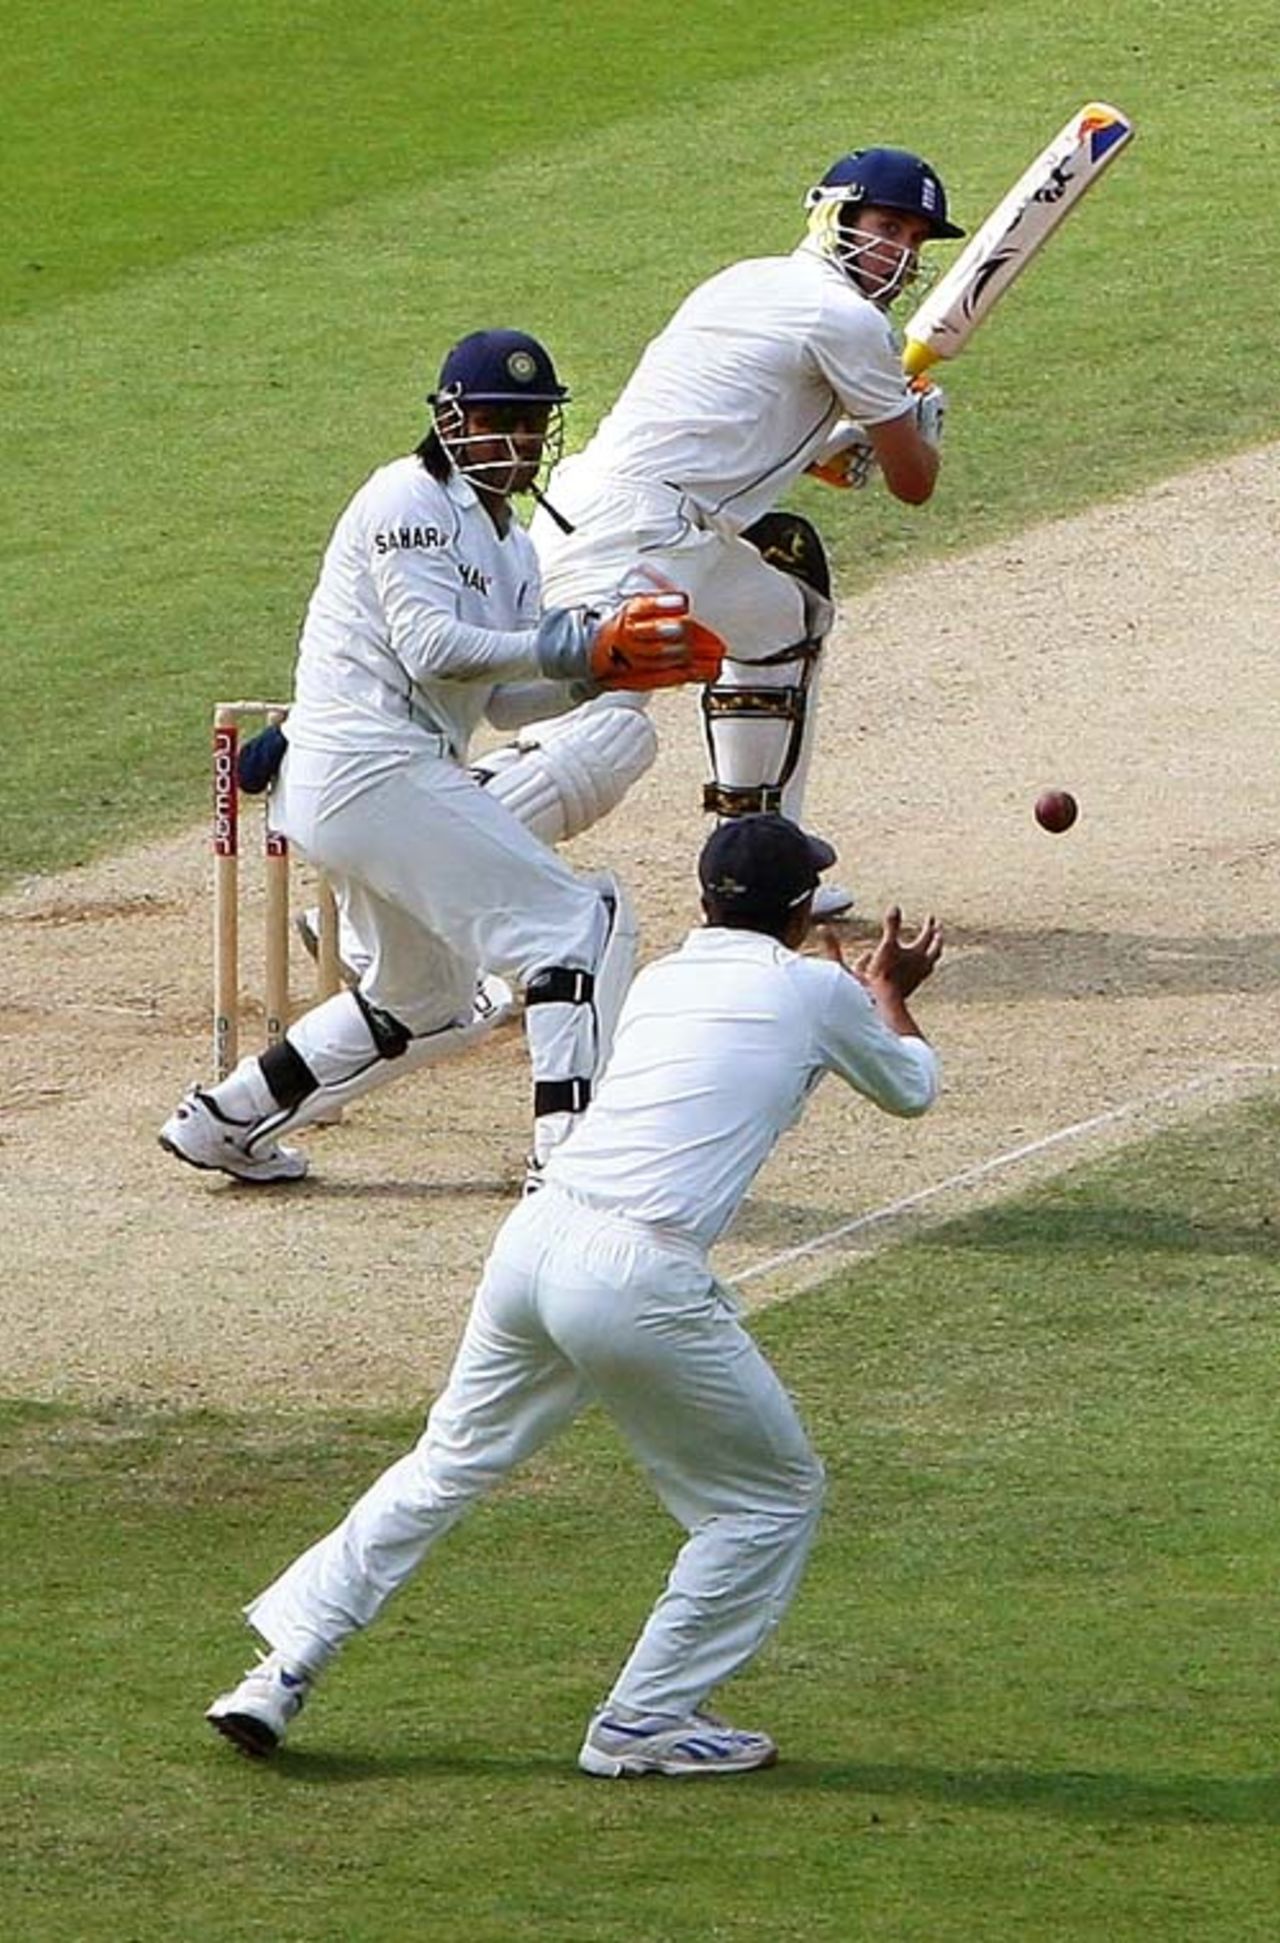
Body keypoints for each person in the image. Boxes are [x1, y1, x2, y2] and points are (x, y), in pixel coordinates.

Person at [205, 813, 943, 1777]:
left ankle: (280, 1670)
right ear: (803, 908)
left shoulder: (665, 979)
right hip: (638, 1271)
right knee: (770, 1499)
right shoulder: (812, 989)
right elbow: (913, 1088)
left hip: (537, 1243)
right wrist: (887, 993)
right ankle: (646, 1718)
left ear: (708, 899)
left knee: (444, 1464)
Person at [160, 329, 725, 1183]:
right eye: (502, 419)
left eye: (535, 423)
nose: (522, 441)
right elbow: (431, 648)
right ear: (452, 418)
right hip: (368, 765)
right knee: (583, 923)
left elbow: (499, 700)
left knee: (425, 1001)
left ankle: (228, 1118)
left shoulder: (515, 545)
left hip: (375, 781)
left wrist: (605, 673)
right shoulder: (406, 499)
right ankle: (572, 1164)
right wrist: (580, 642)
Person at [525, 144, 964, 915]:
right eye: (888, 226)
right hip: (632, 540)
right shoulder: (846, 319)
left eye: (915, 241)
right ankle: (411, 901)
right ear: (834, 216)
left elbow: (735, 430)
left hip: (635, 517)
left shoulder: (746, 280)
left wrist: (838, 443)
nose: (900, 253)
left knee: (782, 613)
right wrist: (914, 424)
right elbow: (914, 484)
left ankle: (763, 864)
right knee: (600, 736)